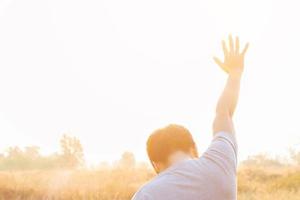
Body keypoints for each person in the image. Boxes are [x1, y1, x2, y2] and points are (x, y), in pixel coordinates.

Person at [132, 35, 249, 200]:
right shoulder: (220, 162)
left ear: (155, 165)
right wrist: (235, 74)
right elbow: (225, 113)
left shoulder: (147, 194)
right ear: (194, 148)